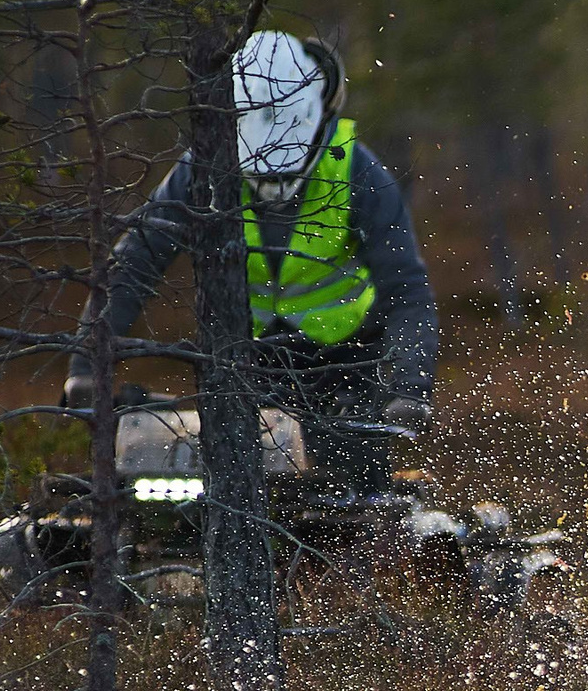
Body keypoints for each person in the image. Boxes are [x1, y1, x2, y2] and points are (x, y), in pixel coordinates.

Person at [63, 30, 439, 489]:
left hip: (347, 369)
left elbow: (407, 290)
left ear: (317, 123)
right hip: (246, 368)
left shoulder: (358, 170)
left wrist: (407, 386)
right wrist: (87, 365)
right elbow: (136, 262)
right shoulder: (201, 170)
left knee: (349, 503)